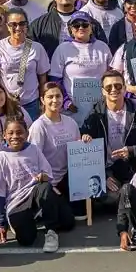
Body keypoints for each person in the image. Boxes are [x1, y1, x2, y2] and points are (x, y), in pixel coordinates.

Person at [0, 118, 71, 253]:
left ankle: (51, 231)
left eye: (20, 132)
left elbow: (48, 174)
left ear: (27, 134)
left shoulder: (33, 149)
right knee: (27, 240)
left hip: (35, 192)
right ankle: (31, 219)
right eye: (11, 133)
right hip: (16, 203)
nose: (15, 136)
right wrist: (1, 223)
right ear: (4, 135)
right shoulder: (1, 158)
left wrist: (43, 176)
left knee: (67, 222)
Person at [80, 70, 136, 207]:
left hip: (132, 166)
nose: (114, 90)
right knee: (107, 196)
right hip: (108, 169)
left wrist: (131, 150)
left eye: (118, 86)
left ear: (125, 88)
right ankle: (129, 197)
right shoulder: (95, 114)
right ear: (103, 91)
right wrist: (102, 175)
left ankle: (130, 196)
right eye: (109, 87)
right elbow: (84, 151)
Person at [27, 82, 84, 215]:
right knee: (66, 220)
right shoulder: (38, 126)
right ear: (42, 100)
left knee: (79, 213)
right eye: (50, 97)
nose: (54, 100)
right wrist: (48, 185)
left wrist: (85, 141)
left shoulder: (71, 122)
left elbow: (78, 152)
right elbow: (33, 161)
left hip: (68, 178)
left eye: (58, 96)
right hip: (48, 182)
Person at [0, 8, 51, 121]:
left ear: (27, 25)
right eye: (13, 24)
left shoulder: (37, 48)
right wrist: (5, 97)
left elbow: (43, 79)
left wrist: (43, 104)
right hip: (6, 104)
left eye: (22, 24)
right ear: (7, 26)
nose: (18, 28)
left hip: (31, 103)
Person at [50, 11, 113, 118]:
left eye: (85, 24)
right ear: (71, 29)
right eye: (76, 25)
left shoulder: (103, 47)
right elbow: (55, 80)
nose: (81, 28)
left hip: (100, 106)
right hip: (73, 108)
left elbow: (111, 75)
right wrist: (66, 102)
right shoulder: (63, 49)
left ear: (91, 27)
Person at [28, 0, 106, 59]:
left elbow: (103, 48)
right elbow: (28, 50)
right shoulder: (39, 24)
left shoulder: (89, 22)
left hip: (82, 67)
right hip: (50, 69)